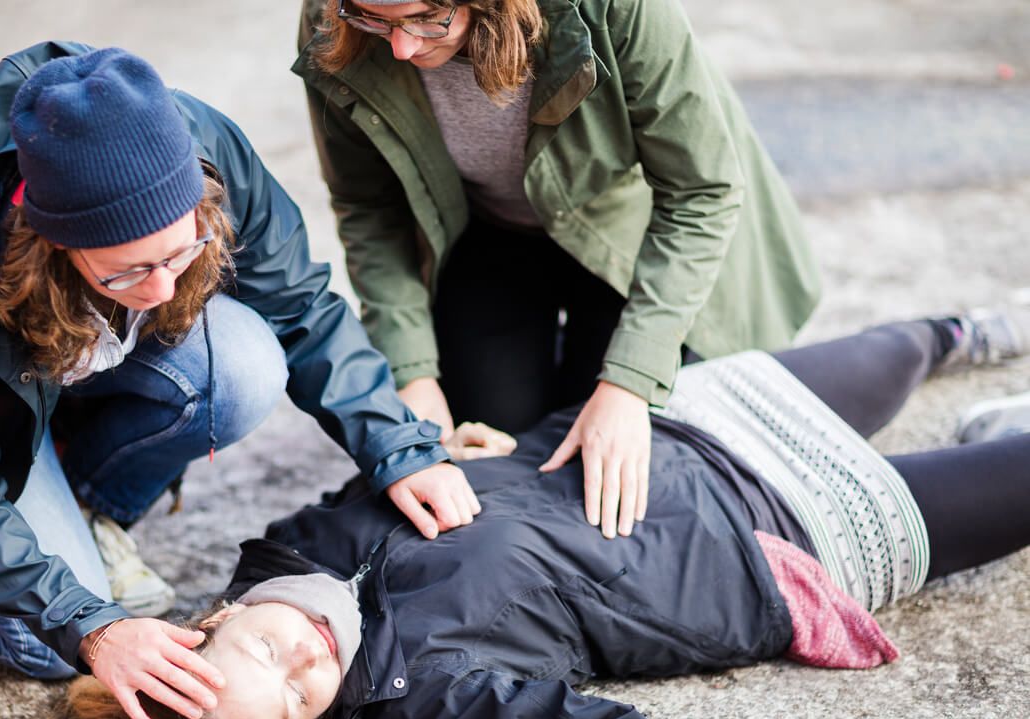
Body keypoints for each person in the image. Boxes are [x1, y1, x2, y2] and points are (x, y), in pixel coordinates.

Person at [62, 306, 1030, 719]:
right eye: (292, 704)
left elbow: (423, 480)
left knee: (900, 344)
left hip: (660, 430)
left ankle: (966, 341)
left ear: (216, 616)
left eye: (265, 651)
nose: (303, 663)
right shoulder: (420, 702)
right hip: (771, 538)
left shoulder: (287, 547)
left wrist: (475, 451)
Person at [0, 42, 480, 719]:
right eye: (125, 272)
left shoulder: (197, 141)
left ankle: (79, 505)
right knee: (50, 646)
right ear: (49, 242)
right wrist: (92, 628)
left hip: (32, 386)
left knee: (242, 363)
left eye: (182, 250)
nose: (164, 289)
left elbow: (296, 304)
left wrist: (397, 444)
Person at [294, 0, 824, 540]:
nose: (402, 47)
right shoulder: (334, 18)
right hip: (487, 234)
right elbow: (369, 207)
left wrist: (629, 384)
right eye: (376, 19)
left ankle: (917, 339)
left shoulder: (614, 8)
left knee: (615, 469)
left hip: (628, 232)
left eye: (428, 18)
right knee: (493, 457)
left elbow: (699, 193)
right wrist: (414, 376)